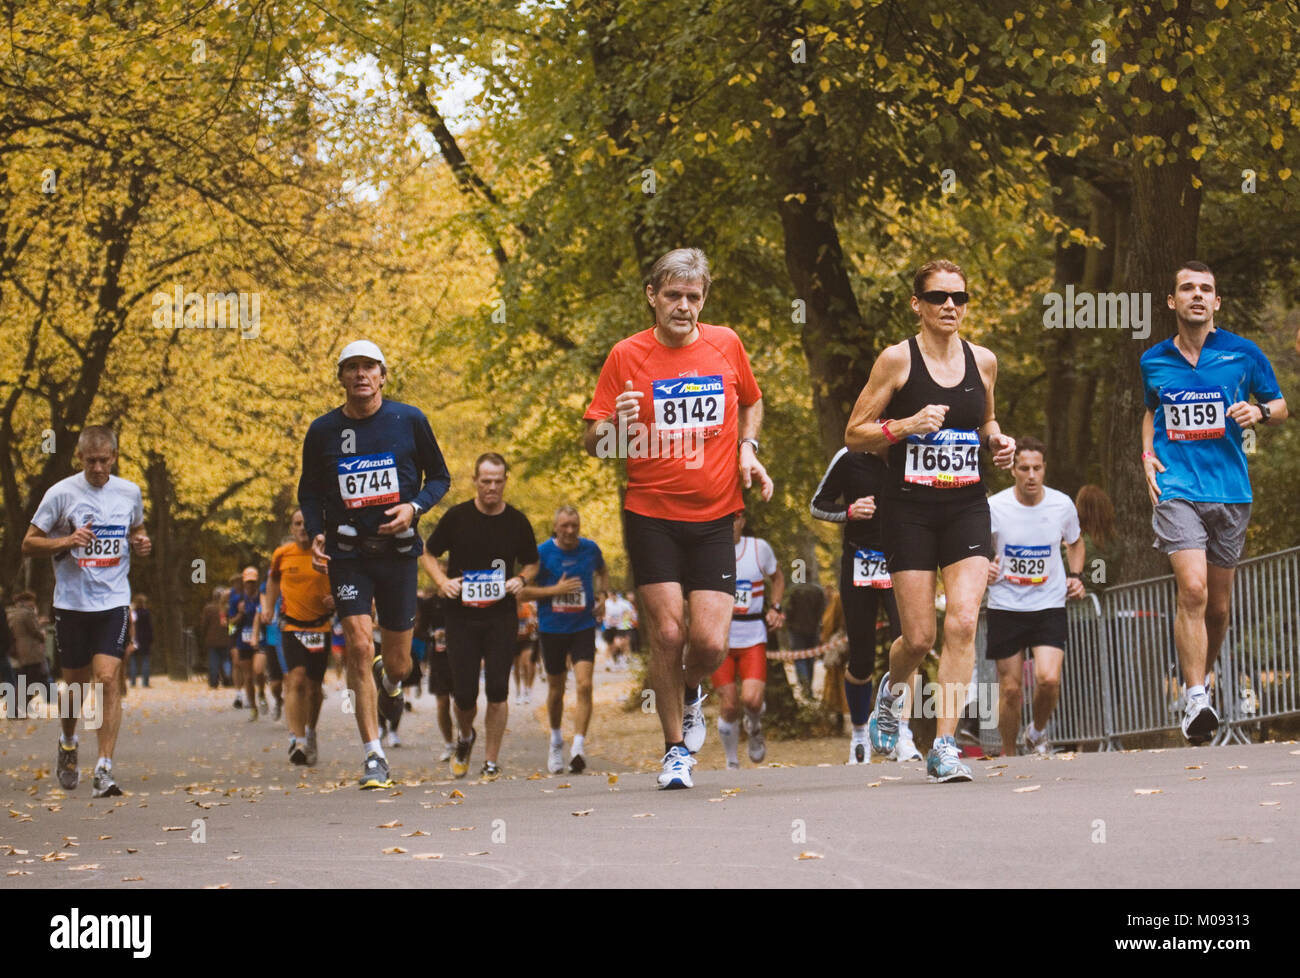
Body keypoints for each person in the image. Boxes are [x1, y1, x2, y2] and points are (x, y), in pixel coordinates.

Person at [583, 247, 772, 789]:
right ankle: (674, 752)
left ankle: (691, 693)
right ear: (652, 297)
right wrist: (610, 425)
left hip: (716, 516)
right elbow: (594, 443)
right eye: (673, 295)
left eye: (693, 296)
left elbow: (753, 400)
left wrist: (748, 448)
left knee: (710, 644)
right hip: (652, 514)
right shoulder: (626, 355)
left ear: (703, 299)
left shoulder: (727, 344)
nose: (683, 306)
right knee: (667, 632)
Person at [845, 259, 1015, 783]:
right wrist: (906, 425)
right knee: (917, 638)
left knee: (963, 621)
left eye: (959, 298)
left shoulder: (982, 361)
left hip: (965, 505)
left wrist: (997, 441)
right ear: (917, 304)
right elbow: (855, 432)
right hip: (909, 511)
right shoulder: (897, 361)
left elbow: (985, 418)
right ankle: (891, 695)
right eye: (939, 296)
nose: (950, 306)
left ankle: (944, 745)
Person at [1141, 261, 1287, 744]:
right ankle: (1196, 697)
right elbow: (1151, 412)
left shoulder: (1243, 353)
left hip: (1230, 491)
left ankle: (1203, 678)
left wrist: (1259, 411)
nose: (1197, 295)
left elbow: (1281, 405)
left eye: (1206, 289)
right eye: (1187, 288)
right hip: (1178, 488)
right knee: (1194, 589)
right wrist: (1147, 456)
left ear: (1216, 301)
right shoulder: (1154, 360)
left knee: (1219, 609)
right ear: (1172, 301)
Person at [298, 339, 451, 789]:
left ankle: (392, 678)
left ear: (383, 375)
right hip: (348, 553)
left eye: (369, 367)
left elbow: (440, 476)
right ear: (341, 377)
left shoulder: (409, 420)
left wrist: (414, 507)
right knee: (360, 646)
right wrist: (316, 529)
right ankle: (373, 755)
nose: (361, 374)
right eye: (352, 367)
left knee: (398, 663)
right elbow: (309, 491)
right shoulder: (322, 431)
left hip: (398, 553)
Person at [22, 425, 151, 796]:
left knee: (108, 678)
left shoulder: (129, 492)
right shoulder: (61, 494)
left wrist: (141, 542)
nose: (98, 468)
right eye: (91, 461)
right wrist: (67, 539)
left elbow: (138, 528)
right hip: (72, 605)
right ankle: (67, 742)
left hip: (113, 601)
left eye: (104, 460)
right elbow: (28, 544)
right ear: (80, 458)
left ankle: (104, 768)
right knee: (75, 687)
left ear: (114, 457)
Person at [422, 453, 539, 781]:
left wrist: (522, 579)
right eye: (485, 481)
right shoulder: (457, 517)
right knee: (463, 693)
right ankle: (466, 736)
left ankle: (490, 760)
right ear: (475, 480)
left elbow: (532, 561)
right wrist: (442, 582)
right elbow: (428, 553)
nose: (491, 487)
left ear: (505, 482)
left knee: (499, 688)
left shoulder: (517, 521)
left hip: (501, 616)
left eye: (497, 481)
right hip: (460, 617)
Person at [810, 447, 914, 764]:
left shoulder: (913, 450)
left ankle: (902, 731)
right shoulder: (849, 456)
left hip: (903, 561)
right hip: (860, 560)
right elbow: (817, 505)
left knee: (910, 644)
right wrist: (849, 512)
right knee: (861, 655)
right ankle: (858, 734)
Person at [985, 437, 1086, 755]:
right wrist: (984, 567)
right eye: (1024, 468)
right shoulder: (996, 507)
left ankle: (1036, 732)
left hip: (1048, 604)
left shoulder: (1061, 505)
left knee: (1049, 679)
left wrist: (1077, 576)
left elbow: (1076, 542)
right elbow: (976, 548)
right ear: (1013, 470)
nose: (1031, 475)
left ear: (1044, 470)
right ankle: (1008, 753)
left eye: (1037, 468)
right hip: (1006, 604)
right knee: (1011, 689)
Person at [523, 505, 608, 774]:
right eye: (565, 526)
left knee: (584, 685)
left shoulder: (590, 549)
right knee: (556, 690)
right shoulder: (541, 552)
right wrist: (555, 590)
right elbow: (521, 593)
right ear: (556, 527)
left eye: (574, 525)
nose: (570, 531)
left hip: (582, 626)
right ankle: (556, 740)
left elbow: (602, 572)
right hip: (552, 629)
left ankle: (579, 747)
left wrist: (603, 596)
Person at [713, 508, 783, 769]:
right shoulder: (708, 551)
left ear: (742, 520)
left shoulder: (758, 548)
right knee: (729, 705)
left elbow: (778, 578)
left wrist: (776, 608)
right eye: (724, 518)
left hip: (753, 634)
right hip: (720, 638)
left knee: (752, 700)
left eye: (734, 518)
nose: (730, 523)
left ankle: (754, 727)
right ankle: (732, 764)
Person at [265, 509, 334, 766]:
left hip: (320, 627)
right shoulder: (282, 554)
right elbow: (272, 580)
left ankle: (311, 732)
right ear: (292, 528)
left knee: (315, 688)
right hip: (292, 626)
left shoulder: (328, 552)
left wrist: (336, 599)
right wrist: (268, 607)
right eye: (297, 524)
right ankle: (297, 739)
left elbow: (345, 580)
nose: (303, 528)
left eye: (307, 523)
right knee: (295, 679)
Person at [417, 583, 456, 762]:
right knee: (442, 702)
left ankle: (465, 735)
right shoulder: (429, 603)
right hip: (439, 658)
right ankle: (449, 744)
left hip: (461, 658)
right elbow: (420, 629)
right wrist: (433, 636)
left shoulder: (461, 599)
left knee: (464, 702)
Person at [229, 568, 267, 720]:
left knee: (258, 671)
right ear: (244, 583)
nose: (250, 585)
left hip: (260, 640)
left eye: (253, 582)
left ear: (256, 582)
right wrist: (240, 613)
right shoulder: (236, 600)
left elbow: (267, 617)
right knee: (248, 677)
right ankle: (253, 707)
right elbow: (230, 623)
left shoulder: (261, 598)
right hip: (243, 641)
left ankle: (262, 693)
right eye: (247, 583)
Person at [7, 591, 51, 704]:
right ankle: (16, 708)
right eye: (32, 601)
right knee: (32, 680)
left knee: (25, 680)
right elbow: (35, 632)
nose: (33, 604)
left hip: (20, 651)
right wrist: (43, 633)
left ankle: (15, 707)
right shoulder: (27, 613)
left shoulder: (12, 613)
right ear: (27, 601)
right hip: (32, 651)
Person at [199, 587, 230, 688]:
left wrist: (203, 636)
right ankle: (228, 679)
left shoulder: (208, 609)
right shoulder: (228, 608)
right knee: (226, 660)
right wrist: (232, 634)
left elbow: (204, 625)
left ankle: (213, 682)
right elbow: (232, 624)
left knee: (213, 661)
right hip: (226, 639)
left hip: (212, 640)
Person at [513, 600, 539, 705]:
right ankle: (518, 691)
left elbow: (537, 620)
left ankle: (528, 690)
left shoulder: (530, 606)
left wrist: (533, 621)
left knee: (526, 663)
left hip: (528, 638)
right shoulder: (510, 607)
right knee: (517, 666)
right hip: (515, 640)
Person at [126, 594, 152, 688]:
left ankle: (133, 682)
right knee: (145, 660)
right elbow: (149, 627)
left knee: (133, 661)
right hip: (144, 639)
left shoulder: (133, 613)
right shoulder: (146, 613)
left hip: (134, 639)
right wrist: (150, 639)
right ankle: (145, 682)